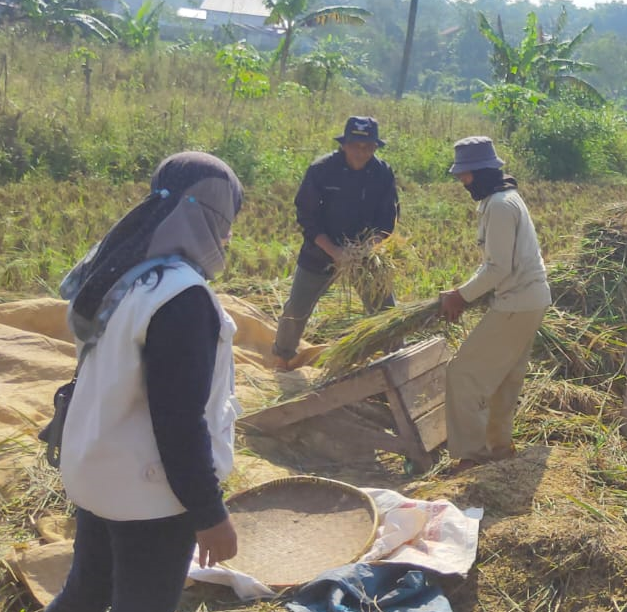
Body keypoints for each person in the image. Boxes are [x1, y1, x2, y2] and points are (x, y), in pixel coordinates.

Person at [46, 152, 244, 612]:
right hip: (151, 494)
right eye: (226, 222)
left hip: (96, 469)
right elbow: (178, 422)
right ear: (205, 217)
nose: (228, 237)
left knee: (87, 593)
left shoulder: (122, 268)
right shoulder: (183, 297)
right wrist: (209, 513)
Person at [438, 137, 550, 467]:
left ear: (483, 172)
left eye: (466, 174)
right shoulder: (502, 199)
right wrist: (464, 290)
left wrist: (460, 296)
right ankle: (498, 448)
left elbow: (499, 268)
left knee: (462, 374)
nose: (462, 181)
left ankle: (472, 456)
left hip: (517, 302)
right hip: (530, 301)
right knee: (504, 378)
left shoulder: (500, 206)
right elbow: (494, 263)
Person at [272, 116, 399, 371]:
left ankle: (397, 361)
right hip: (320, 252)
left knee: (386, 311)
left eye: (367, 147)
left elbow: (388, 218)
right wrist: (335, 251)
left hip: (365, 256)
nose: (361, 152)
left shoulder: (382, 173)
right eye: (355, 146)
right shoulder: (321, 170)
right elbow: (307, 218)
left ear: (375, 147)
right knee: (296, 309)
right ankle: (282, 361)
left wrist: (367, 248)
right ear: (344, 145)